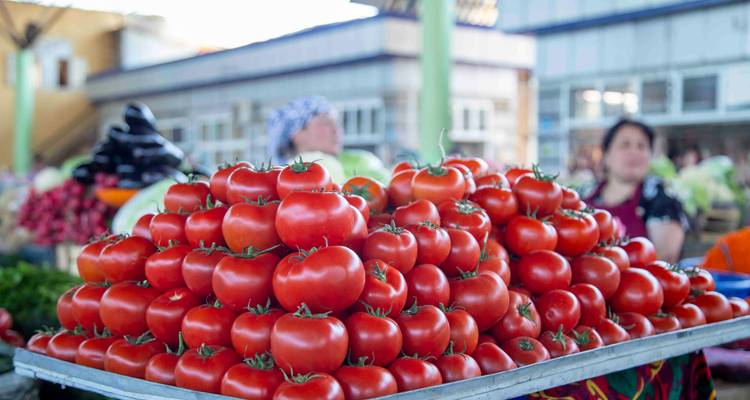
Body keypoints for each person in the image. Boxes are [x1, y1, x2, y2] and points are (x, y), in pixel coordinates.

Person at [585, 118, 688, 263]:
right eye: (625, 145)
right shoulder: (586, 194)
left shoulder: (661, 196)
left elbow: (666, 256)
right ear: (606, 155)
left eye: (641, 146)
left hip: (640, 283)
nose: (634, 152)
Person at [266, 96, 389, 183]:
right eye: (325, 123)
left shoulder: (363, 160)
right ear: (296, 133)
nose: (337, 130)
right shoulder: (280, 178)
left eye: (337, 123)